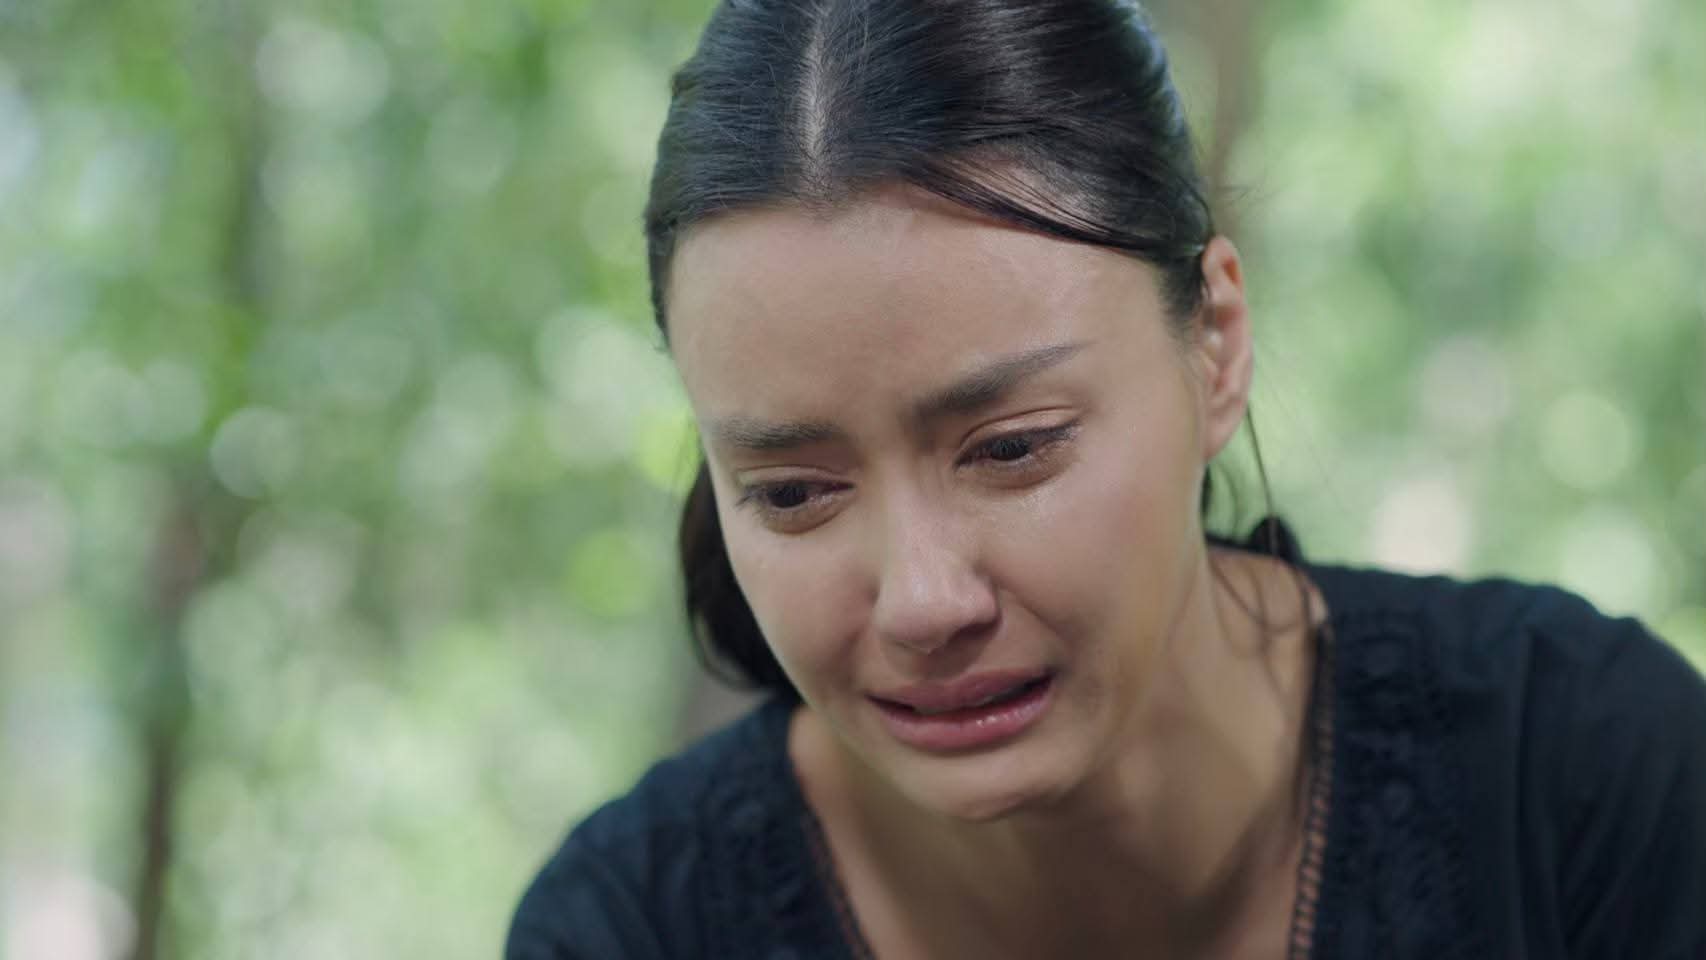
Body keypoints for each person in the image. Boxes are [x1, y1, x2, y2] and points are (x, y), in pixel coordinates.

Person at [507, 0, 1706, 956]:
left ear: (1214, 344)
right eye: (791, 493)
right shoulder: (630, 925)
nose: (924, 602)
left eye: (1011, 448)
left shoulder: (1583, 780)